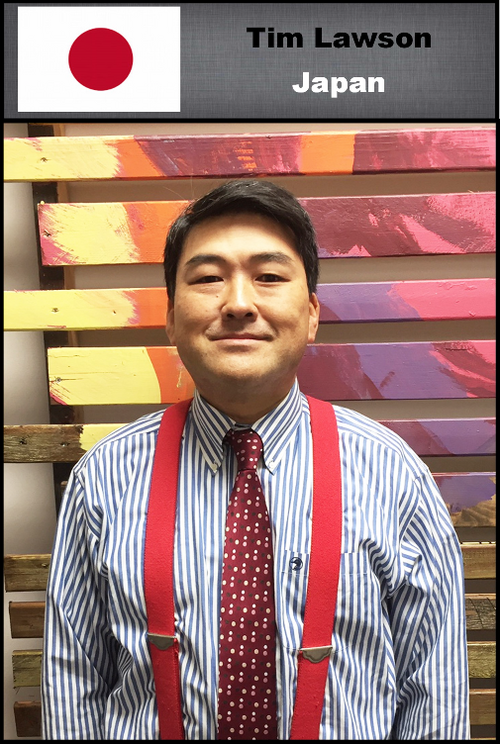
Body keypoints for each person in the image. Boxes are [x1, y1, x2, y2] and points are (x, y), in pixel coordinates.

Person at [41, 179, 470, 740]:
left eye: (268, 277)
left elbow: (434, 695)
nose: (239, 304)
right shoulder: (104, 478)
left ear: (311, 314)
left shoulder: (393, 473)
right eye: (208, 278)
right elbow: (73, 684)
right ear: (170, 316)